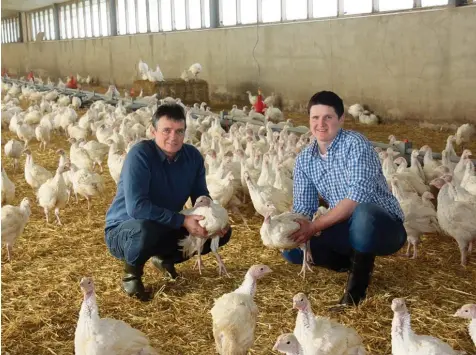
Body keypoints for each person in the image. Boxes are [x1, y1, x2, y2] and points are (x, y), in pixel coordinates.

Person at [284, 91, 406, 308]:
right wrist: (293, 227)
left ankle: (354, 293)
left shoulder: (355, 144)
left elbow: (356, 199)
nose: (320, 124)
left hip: (384, 228)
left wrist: (314, 226)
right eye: (315, 118)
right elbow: (303, 206)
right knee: (292, 248)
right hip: (347, 226)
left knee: (363, 213)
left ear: (341, 119)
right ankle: (353, 263)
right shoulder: (304, 159)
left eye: (328, 117)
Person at [105, 103, 232, 301]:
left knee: (222, 232)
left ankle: (164, 258)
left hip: (165, 224)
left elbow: (200, 194)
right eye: (167, 130)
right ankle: (132, 274)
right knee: (147, 228)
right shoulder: (140, 155)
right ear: (153, 131)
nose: (173, 137)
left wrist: (211, 217)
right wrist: (182, 221)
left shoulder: (192, 157)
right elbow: (137, 207)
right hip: (126, 229)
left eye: (179, 131)